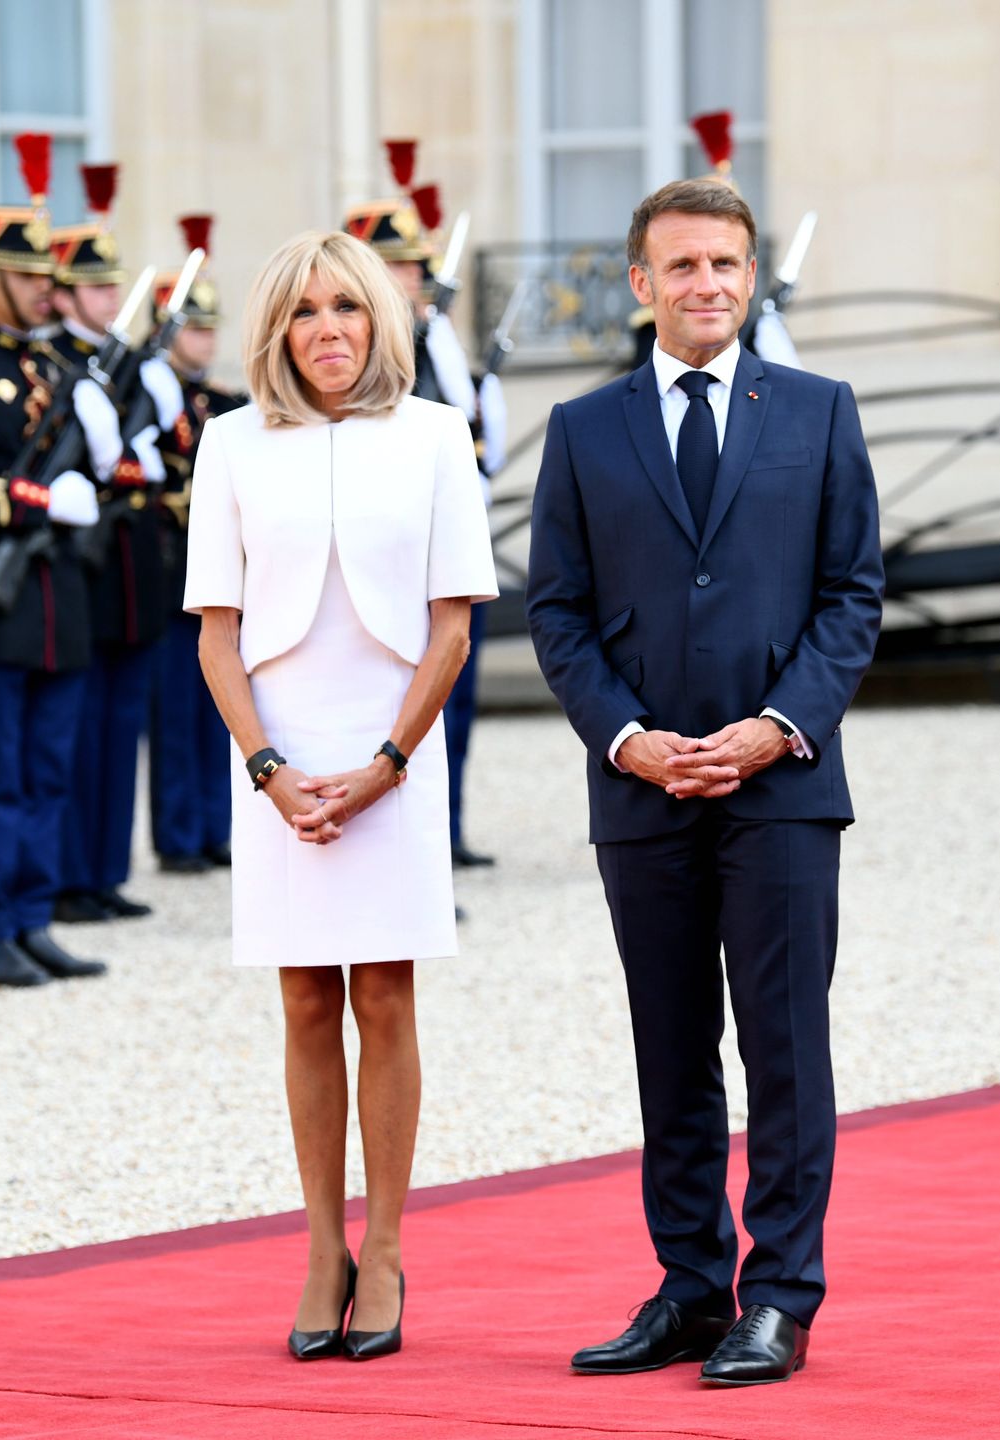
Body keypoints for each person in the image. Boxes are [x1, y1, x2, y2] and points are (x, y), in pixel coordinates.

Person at [526, 179, 883, 1387]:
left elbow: (852, 597)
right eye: (681, 267)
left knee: (784, 1052)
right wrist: (625, 738)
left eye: (726, 264)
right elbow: (557, 613)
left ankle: (778, 1296)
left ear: (750, 275)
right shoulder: (582, 430)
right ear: (641, 284)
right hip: (641, 793)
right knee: (670, 1051)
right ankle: (688, 1288)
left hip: (781, 788)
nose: (707, 286)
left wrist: (780, 726)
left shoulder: (823, 414)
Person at [183, 230, 496, 1360]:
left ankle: (393, 1247)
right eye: (306, 312)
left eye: (348, 309)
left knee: (386, 1000)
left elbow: (455, 627)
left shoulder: (433, 438)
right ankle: (324, 1247)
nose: (328, 329)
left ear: (381, 321)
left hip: (392, 749)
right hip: (278, 757)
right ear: (277, 329)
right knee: (307, 1001)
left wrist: (387, 765)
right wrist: (268, 772)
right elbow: (217, 638)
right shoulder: (228, 444)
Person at [0, 135, 107, 984]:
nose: (42, 289)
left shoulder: (62, 366)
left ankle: (33, 914)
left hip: (59, 598)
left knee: (48, 767)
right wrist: (23, 498)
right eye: (25, 276)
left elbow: (100, 466)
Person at [346, 193, 501, 869]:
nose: (416, 279)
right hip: (401, 549)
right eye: (401, 267)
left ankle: (448, 830)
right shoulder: (377, 347)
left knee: (456, 701)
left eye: (415, 267)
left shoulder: (432, 336)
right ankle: (409, 843)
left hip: (454, 537)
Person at [50, 163, 183, 924]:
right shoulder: (64, 366)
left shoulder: (127, 364)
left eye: (112, 288)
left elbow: (153, 459)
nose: (109, 299)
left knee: (116, 727)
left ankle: (102, 870)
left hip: (130, 563)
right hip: (80, 564)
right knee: (77, 731)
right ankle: (69, 876)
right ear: (64, 293)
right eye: (95, 289)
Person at [149, 215, 246, 875]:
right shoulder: (149, 395)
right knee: (175, 711)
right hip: (164, 570)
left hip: (221, 572)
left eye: (212, 328)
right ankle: (178, 833)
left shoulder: (224, 401)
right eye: (194, 327)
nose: (205, 339)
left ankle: (214, 825)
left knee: (220, 706)